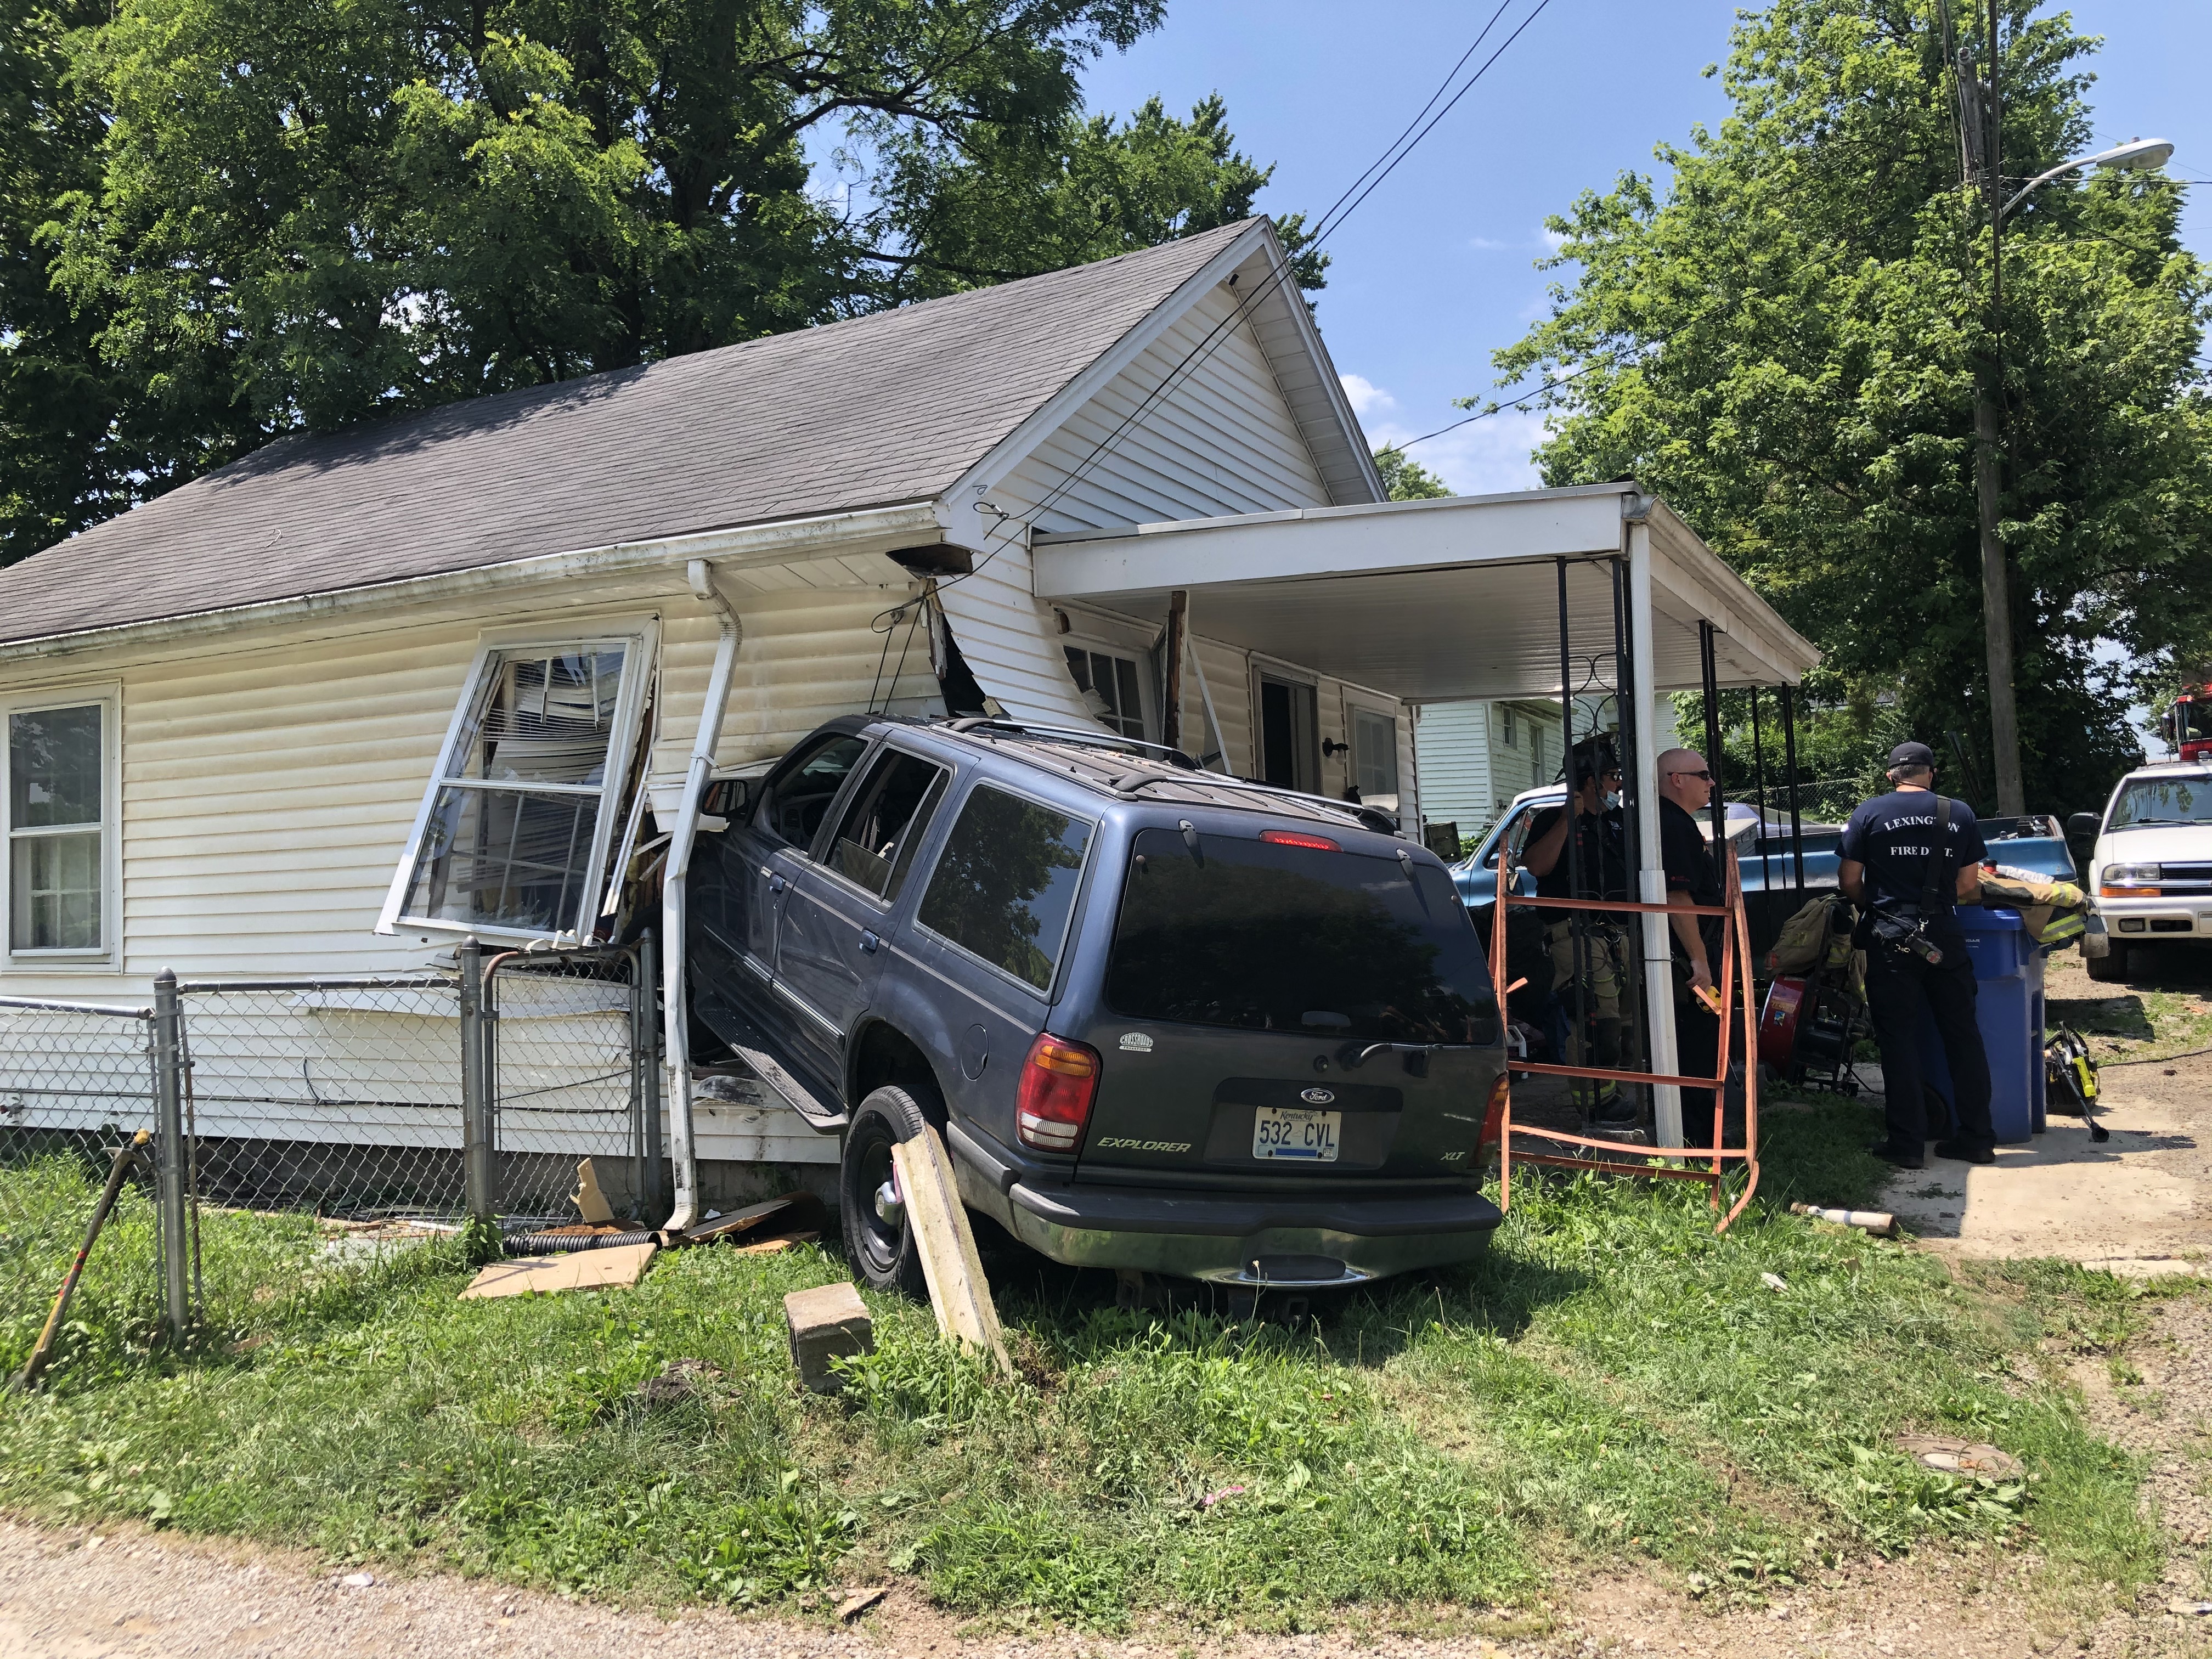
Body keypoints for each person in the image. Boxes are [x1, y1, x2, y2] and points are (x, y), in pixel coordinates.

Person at [1838, 741, 1995, 1170]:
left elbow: (1849, 878)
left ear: (1891, 775)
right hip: (1943, 934)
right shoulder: (1958, 813)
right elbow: (1967, 885)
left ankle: (1907, 1144)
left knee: (1897, 1040)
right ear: (1932, 772)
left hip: (1891, 935)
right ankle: (1978, 1138)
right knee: (1963, 1035)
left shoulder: (1868, 813)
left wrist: (1877, 905)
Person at [1522, 735, 1634, 1127]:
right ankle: (1595, 1105)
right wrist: (1570, 820)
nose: (1618, 785)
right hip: (1576, 934)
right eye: (1611, 777)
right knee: (1595, 1022)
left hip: (1619, 934)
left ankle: (1623, 1093)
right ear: (1590, 781)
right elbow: (1537, 866)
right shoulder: (1553, 820)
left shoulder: (1618, 822)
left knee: (1626, 1022)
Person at [1655, 747, 1731, 1144]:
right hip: (1689, 961)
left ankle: (1701, 1135)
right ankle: (1698, 1142)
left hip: (1690, 953)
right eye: (1704, 775)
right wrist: (1700, 962)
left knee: (1702, 1043)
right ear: (1676, 779)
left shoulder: (1675, 823)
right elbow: (1678, 897)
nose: (1711, 782)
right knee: (1698, 1048)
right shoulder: (1675, 826)